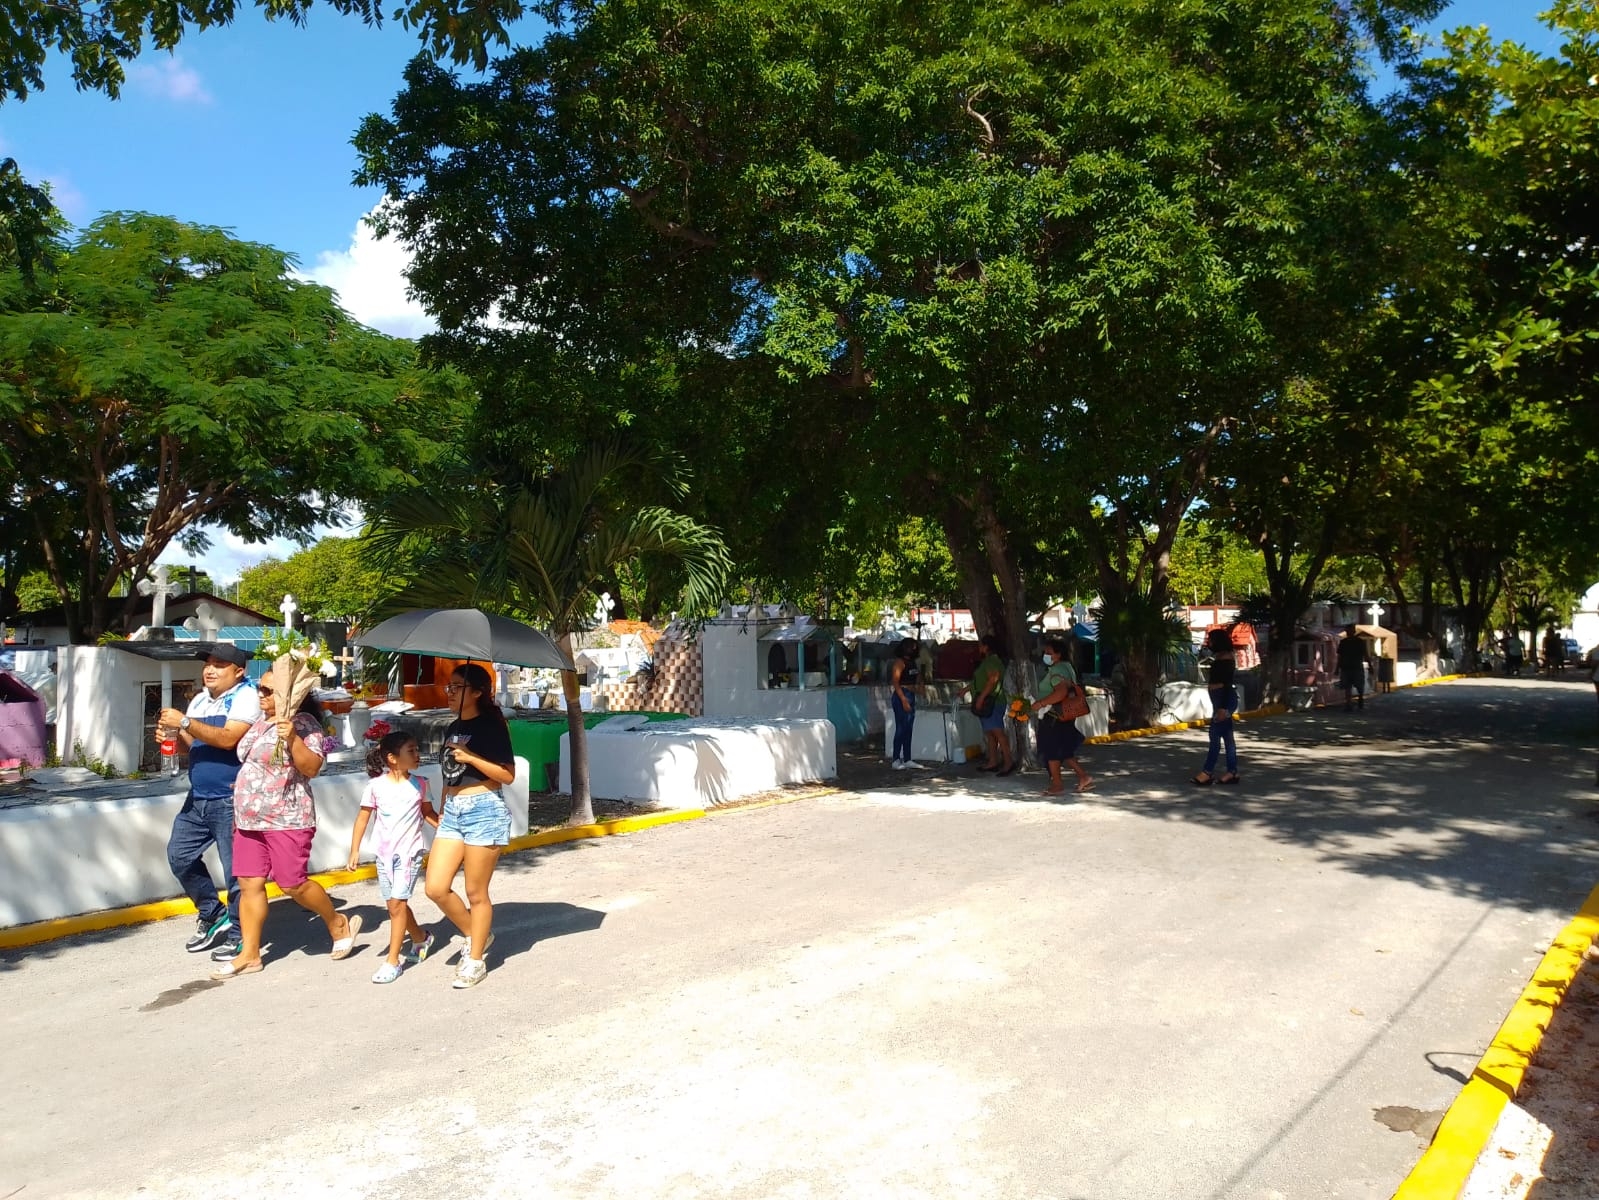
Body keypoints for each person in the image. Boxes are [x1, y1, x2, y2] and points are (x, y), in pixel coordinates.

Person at [210, 664, 361, 979]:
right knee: (249, 883)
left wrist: (292, 737)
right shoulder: (260, 724)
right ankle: (250, 954)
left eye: (267, 691)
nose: (260, 695)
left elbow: (311, 767)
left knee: (291, 882)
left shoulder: (304, 725)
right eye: (260, 689)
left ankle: (336, 922)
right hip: (250, 819)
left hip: (286, 817)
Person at [156, 645, 259, 958]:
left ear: (239, 671)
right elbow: (197, 744)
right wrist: (172, 736)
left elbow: (228, 739)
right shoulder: (200, 700)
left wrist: (185, 722)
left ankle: (242, 935)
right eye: (208, 665)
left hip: (230, 796)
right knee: (180, 855)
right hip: (198, 796)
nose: (209, 670)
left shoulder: (246, 696)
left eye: (219, 665)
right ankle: (213, 913)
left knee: (236, 873)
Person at [425, 662, 516, 988]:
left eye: (457, 687)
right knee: (435, 887)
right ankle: (476, 933)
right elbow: (451, 772)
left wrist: (471, 756)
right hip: (454, 811)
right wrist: (443, 806)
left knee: (476, 892)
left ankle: (475, 959)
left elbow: (507, 775)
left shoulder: (492, 726)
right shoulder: (452, 726)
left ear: (477, 692)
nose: (449, 692)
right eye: (450, 686)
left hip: (484, 809)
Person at [347, 730, 440, 983]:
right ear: (392, 758)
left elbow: (428, 813)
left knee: (397, 905)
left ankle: (393, 961)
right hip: (384, 855)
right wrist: (354, 850)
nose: (417, 754)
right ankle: (421, 938)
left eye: (416, 750)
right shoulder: (376, 786)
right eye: (411, 751)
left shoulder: (421, 784)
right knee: (394, 906)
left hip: (410, 853)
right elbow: (363, 818)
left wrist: (446, 829)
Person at [1030, 635, 1093, 795]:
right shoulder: (1067, 667)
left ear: (1058, 654)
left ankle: (1057, 784)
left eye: (1049, 652)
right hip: (1065, 715)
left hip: (1053, 715)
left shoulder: (1057, 670)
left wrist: (1040, 703)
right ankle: (1083, 776)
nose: (1046, 655)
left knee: (1051, 750)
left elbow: (1061, 692)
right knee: (1063, 749)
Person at [1192, 627, 1240, 785]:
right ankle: (1232, 772)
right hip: (1218, 699)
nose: (1208, 642)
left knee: (1214, 736)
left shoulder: (1226, 658)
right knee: (1228, 738)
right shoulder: (1220, 656)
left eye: (1210, 639)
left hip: (1224, 700)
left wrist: (1223, 708)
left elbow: (1227, 684)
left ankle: (1207, 772)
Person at [970, 634, 1014, 775]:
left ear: (986, 647)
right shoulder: (989, 661)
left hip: (991, 701)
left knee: (998, 733)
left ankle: (1008, 762)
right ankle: (993, 761)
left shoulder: (991, 662)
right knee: (990, 733)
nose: (979, 648)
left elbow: (993, 679)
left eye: (981, 645)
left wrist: (981, 698)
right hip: (989, 700)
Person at [888, 638, 924, 770]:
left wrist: (921, 684)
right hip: (901, 695)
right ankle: (896, 759)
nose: (914, 650)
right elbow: (896, 682)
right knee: (901, 728)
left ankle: (907, 758)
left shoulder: (912, 663)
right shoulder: (899, 662)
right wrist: (903, 700)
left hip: (911, 694)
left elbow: (918, 676)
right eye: (912, 647)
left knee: (909, 728)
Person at [1336, 625, 1368, 710]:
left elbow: (1365, 654)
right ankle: (1348, 703)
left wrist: (1370, 666)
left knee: (1359, 686)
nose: (1348, 632)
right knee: (1347, 686)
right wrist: (1337, 668)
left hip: (1356, 667)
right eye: (1347, 631)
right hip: (1347, 667)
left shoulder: (1359, 642)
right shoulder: (1344, 642)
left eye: (1350, 630)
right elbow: (1340, 656)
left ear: (1353, 631)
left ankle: (1360, 698)